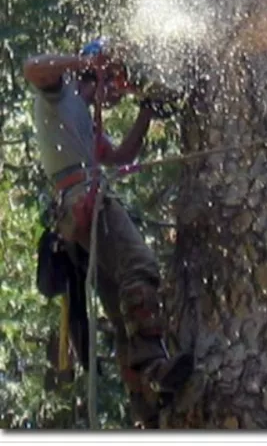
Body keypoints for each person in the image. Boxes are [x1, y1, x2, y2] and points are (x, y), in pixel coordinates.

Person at [23, 39, 194, 428]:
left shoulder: (83, 118)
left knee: (119, 311)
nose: (117, 92)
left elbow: (121, 156)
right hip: (84, 198)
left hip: (77, 210)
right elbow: (33, 66)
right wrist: (84, 61)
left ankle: (145, 402)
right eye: (113, 82)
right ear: (93, 75)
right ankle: (153, 362)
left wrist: (147, 112)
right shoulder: (60, 95)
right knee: (140, 264)